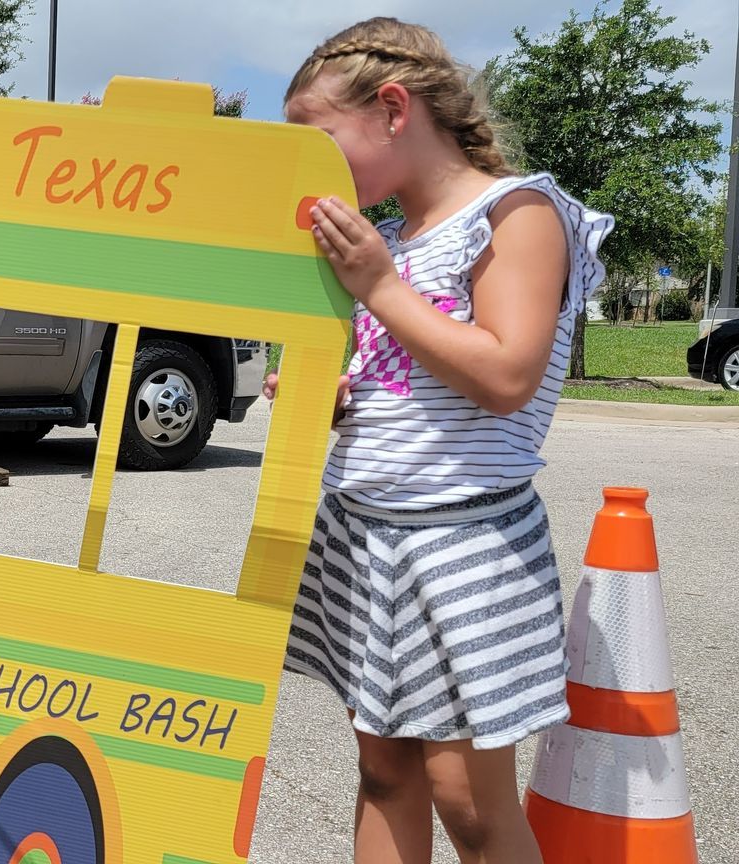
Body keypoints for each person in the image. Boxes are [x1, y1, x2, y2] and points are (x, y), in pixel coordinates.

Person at [270, 17, 613, 864]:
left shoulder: (517, 212)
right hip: (362, 528)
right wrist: (335, 395)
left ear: (393, 108)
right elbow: (409, 380)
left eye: (317, 143)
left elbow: (505, 377)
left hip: (465, 537)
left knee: (469, 800)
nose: (310, 174)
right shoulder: (385, 240)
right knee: (383, 772)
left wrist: (379, 288)